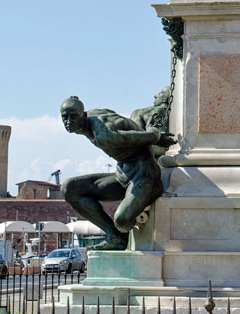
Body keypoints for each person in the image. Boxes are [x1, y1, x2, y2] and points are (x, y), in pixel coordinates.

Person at [60, 96, 175, 250]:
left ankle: (144, 198)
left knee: (122, 221)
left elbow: (150, 137)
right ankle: (115, 237)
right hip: (123, 175)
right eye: (65, 117)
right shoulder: (94, 116)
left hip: (145, 176)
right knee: (69, 188)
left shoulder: (104, 135)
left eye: (73, 116)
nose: (69, 121)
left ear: (83, 115)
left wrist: (154, 132)